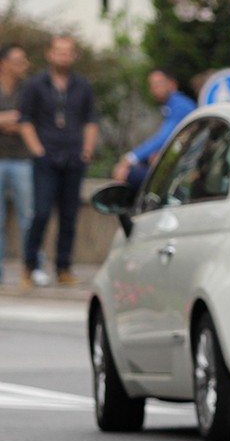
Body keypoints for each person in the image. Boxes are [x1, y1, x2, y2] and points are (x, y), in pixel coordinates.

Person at [16, 34, 99, 289]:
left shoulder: (82, 85)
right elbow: (24, 120)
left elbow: (91, 120)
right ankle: (30, 266)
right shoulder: (35, 84)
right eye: (58, 51)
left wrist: (86, 150)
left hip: (73, 157)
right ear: (49, 54)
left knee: (69, 216)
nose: (63, 56)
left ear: (73, 56)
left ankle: (64, 267)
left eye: (68, 52)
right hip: (46, 158)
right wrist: (38, 151)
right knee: (40, 213)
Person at [112, 67, 197, 188]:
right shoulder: (172, 105)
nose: (154, 89)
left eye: (158, 84)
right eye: (151, 85)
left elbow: (164, 137)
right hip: (183, 166)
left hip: (186, 169)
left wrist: (130, 158)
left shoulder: (180, 106)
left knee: (128, 174)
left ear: (172, 84)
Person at [0, 43, 34, 286]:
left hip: (23, 159)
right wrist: (11, 120)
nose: (24, 65)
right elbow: (19, 121)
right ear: (4, 64)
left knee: (29, 217)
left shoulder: (29, 89)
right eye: (18, 60)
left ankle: (31, 268)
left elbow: (28, 121)